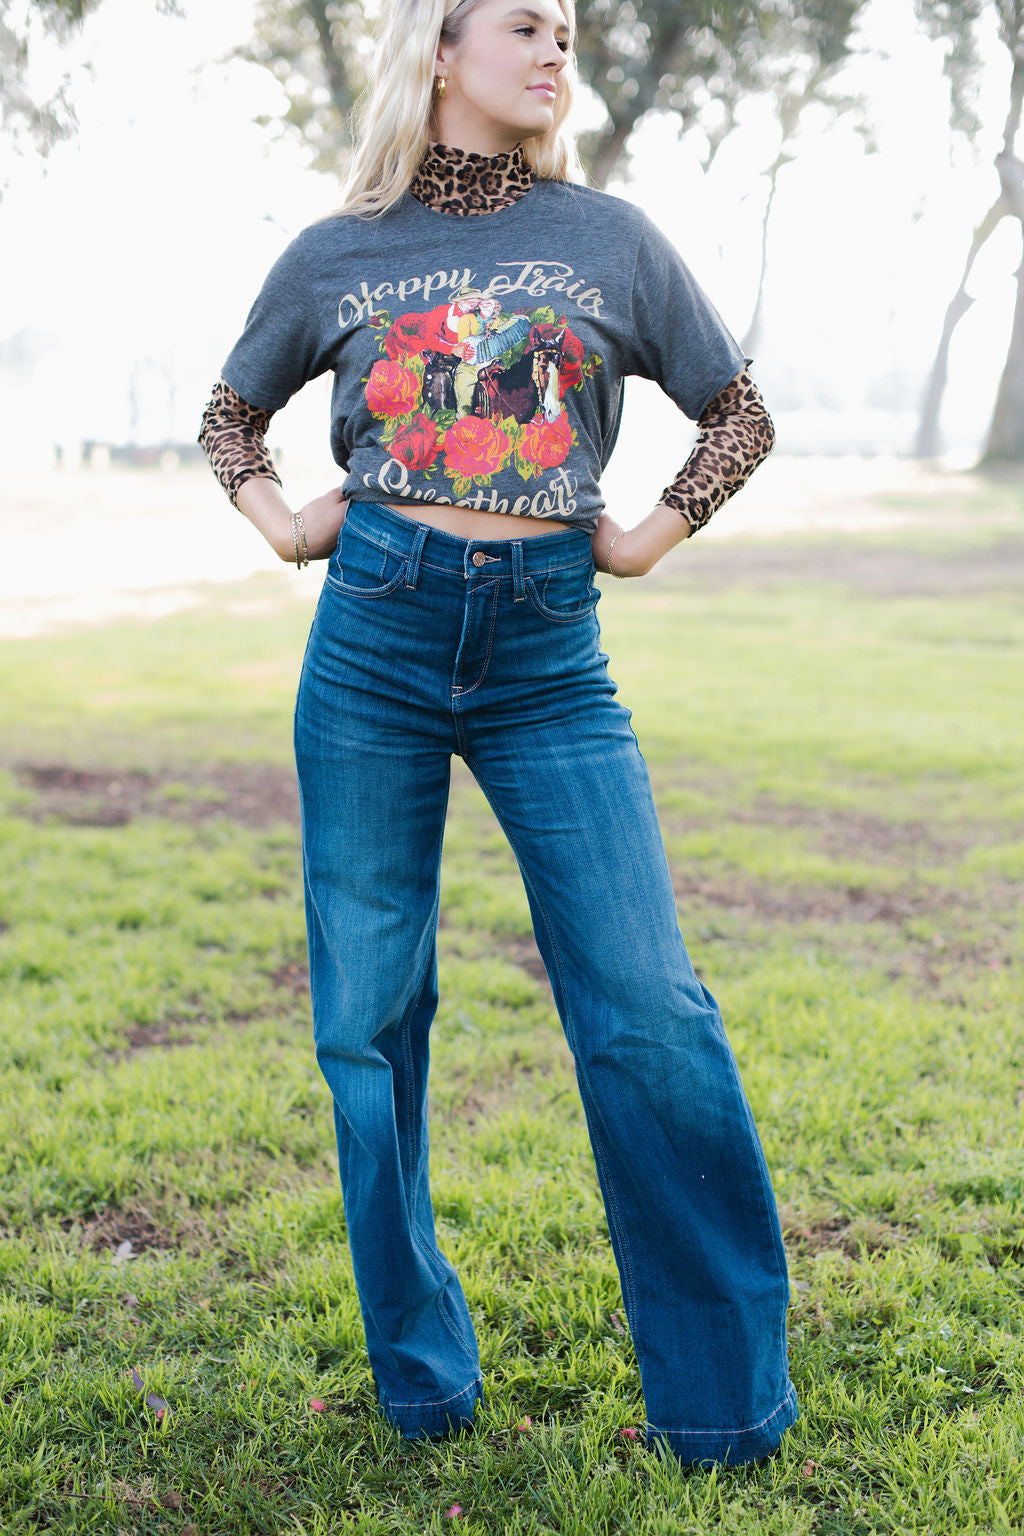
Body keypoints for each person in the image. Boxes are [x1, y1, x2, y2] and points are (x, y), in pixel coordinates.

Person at [199, 0, 797, 1470]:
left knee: (648, 1007)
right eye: (526, 25)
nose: (555, 53)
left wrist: (645, 538)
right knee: (367, 1021)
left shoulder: (613, 240)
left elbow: (738, 415)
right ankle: (421, 1377)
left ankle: (722, 1408)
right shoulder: (337, 251)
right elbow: (228, 417)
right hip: (374, 642)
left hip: (548, 659)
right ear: (442, 49)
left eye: (569, 35)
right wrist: (283, 524)